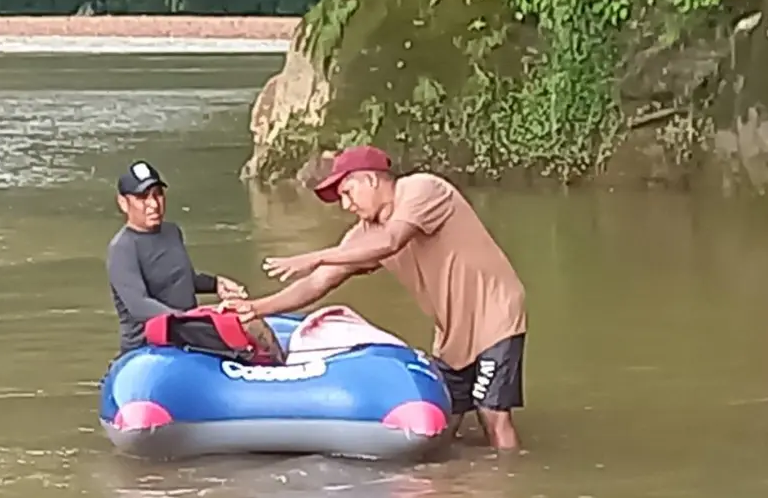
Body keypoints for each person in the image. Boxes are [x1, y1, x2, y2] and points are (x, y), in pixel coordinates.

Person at [219, 146, 528, 450]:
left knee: (493, 413)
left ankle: (504, 493)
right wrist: (255, 307)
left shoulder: (421, 189)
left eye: (347, 192)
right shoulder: (364, 235)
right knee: (447, 419)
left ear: (370, 180)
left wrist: (316, 256)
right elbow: (318, 282)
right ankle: (454, 490)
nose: (345, 204)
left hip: (494, 314)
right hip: (452, 333)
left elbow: (392, 241)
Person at [105, 159, 254, 354]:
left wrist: (215, 284)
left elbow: (179, 278)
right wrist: (191, 320)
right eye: (143, 197)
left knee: (248, 322)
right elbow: (139, 306)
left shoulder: (171, 232)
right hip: (148, 344)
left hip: (187, 332)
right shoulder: (122, 249)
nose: (153, 204)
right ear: (123, 203)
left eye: (157, 194)